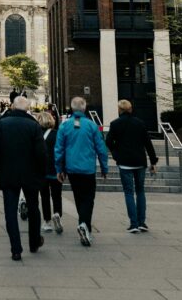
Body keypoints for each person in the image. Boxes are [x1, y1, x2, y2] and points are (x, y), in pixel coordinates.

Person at [0, 95, 47, 261]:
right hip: (31, 174)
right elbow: (41, 153)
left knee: (10, 212)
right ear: (27, 109)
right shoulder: (34, 126)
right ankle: (34, 242)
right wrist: (41, 172)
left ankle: (16, 249)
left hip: (8, 174)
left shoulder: (2, 124)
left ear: (12, 107)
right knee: (34, 209)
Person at [55, 95, 108, 247]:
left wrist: (59, 168)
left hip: (71, 169)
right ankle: (85, 225)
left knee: (78, 198)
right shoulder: (91, 125)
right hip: (87, 169)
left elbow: (59, 149)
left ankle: (83, 224)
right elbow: (101, 149)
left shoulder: (65, 126)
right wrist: (104, 167)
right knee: (88, 199)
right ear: (84, 108)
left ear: (71, 108)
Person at [106, 99, 158, 233]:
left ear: (119, 110)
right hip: (140, 162)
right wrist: (153, 161)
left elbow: (108, 142)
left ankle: (133, 223)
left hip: (125, 163)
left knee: (128, 192)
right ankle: (142, 222)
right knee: (140, 191)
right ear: (130, 109)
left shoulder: (115, 124)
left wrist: (116, 154)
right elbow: (148, 143)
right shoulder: (140, 123)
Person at [37, 110, 63, 234]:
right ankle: (57, 213)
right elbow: (61, 151)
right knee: (57, 195)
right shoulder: (57, 134)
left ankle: (47, 221)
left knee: (45, 196)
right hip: (56, 170)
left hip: (42, 170)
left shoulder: (36, 135)